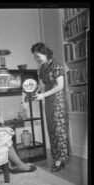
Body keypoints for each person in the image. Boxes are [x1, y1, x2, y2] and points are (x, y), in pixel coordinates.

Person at [31, 42, 69, 172]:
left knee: (59, 131)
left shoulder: (56, 65)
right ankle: (57, 158)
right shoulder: (41, 68)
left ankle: (59, 161)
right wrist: (35, 92)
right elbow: (41, 85)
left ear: (45, 52)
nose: (36, 58)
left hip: (58, 102)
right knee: (51, 130)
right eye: (34, 57)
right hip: (48, 101)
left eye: (38, 55)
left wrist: (44, 95)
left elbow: (60, 86)